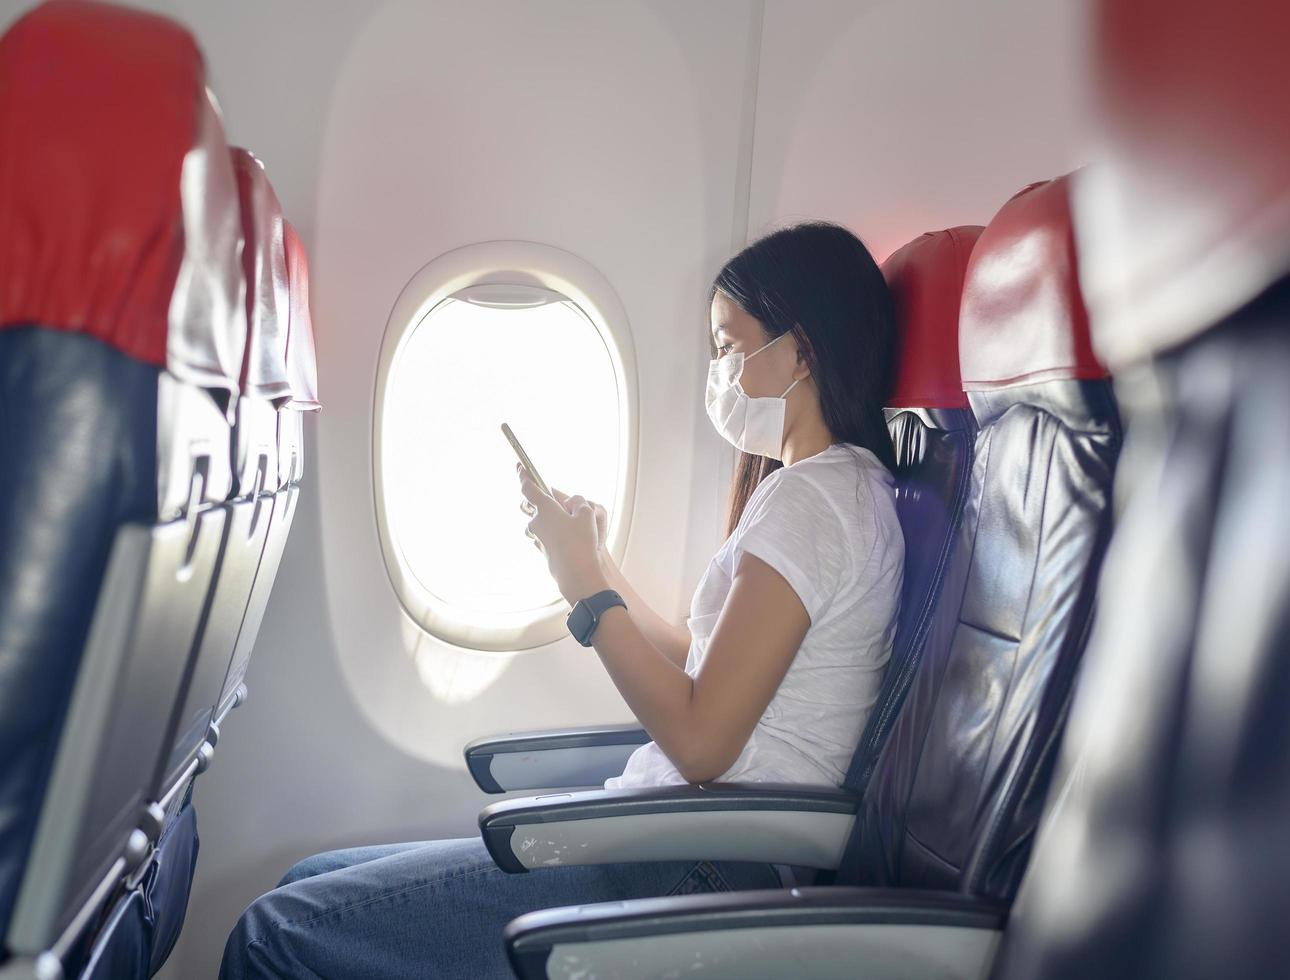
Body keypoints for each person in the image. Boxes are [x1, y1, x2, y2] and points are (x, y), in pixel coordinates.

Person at [220, 222, 905, 979]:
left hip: (707, 858)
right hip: (685, 841)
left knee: (272, 935)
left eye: (728, 347)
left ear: (801, 350)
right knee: (304, 887)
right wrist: (593, 564)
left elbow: (704, 742)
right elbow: (701, 657)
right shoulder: (830, 491)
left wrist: (584, 591)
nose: (717, 373)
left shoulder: (813, 501)